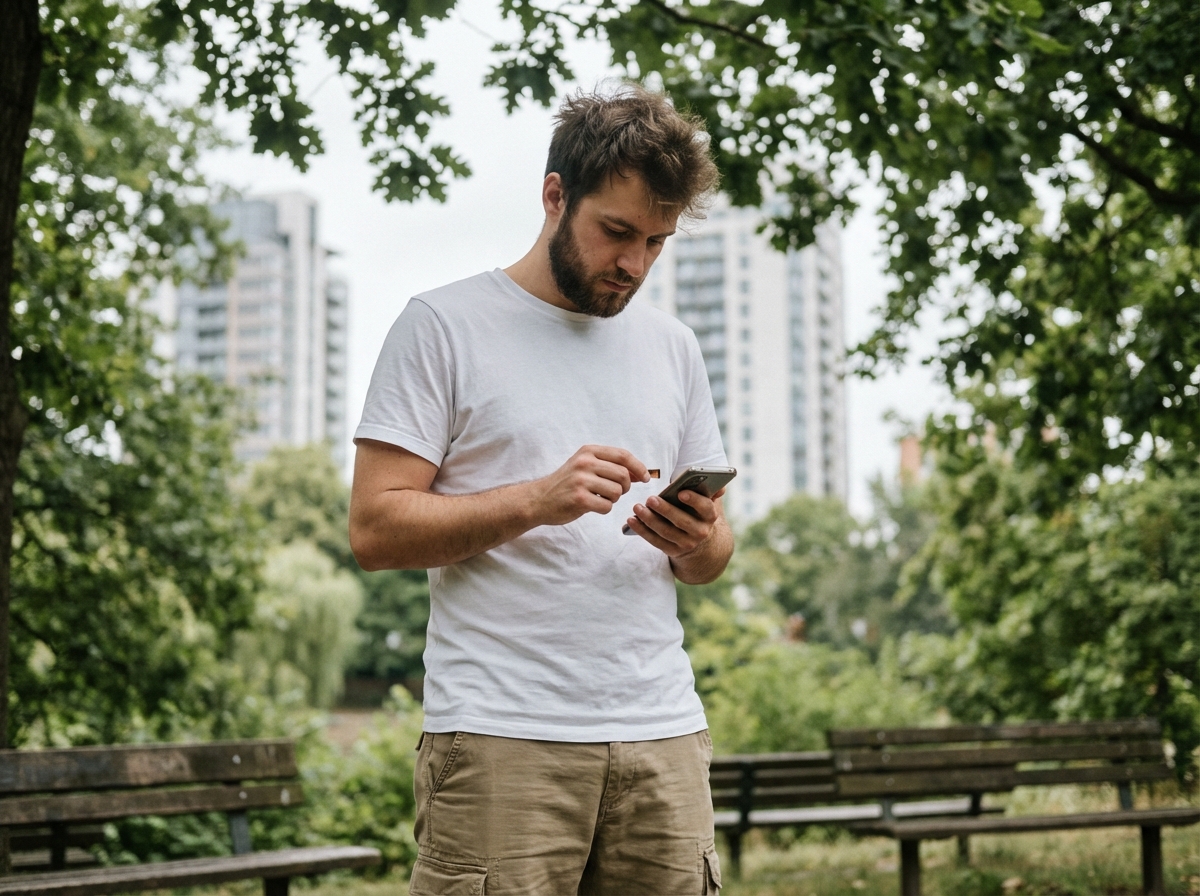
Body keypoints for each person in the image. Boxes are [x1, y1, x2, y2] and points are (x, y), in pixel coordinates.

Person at [349, 83, 731, 895]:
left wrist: (696, 538)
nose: (634, 264)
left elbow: (712, 557)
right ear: (556, 195)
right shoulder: (442, 326)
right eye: (617, 232)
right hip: (501, 737)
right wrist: (536, 500)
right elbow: (375, 530)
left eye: (656, 242)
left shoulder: (674, 346)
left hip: (664, 734)